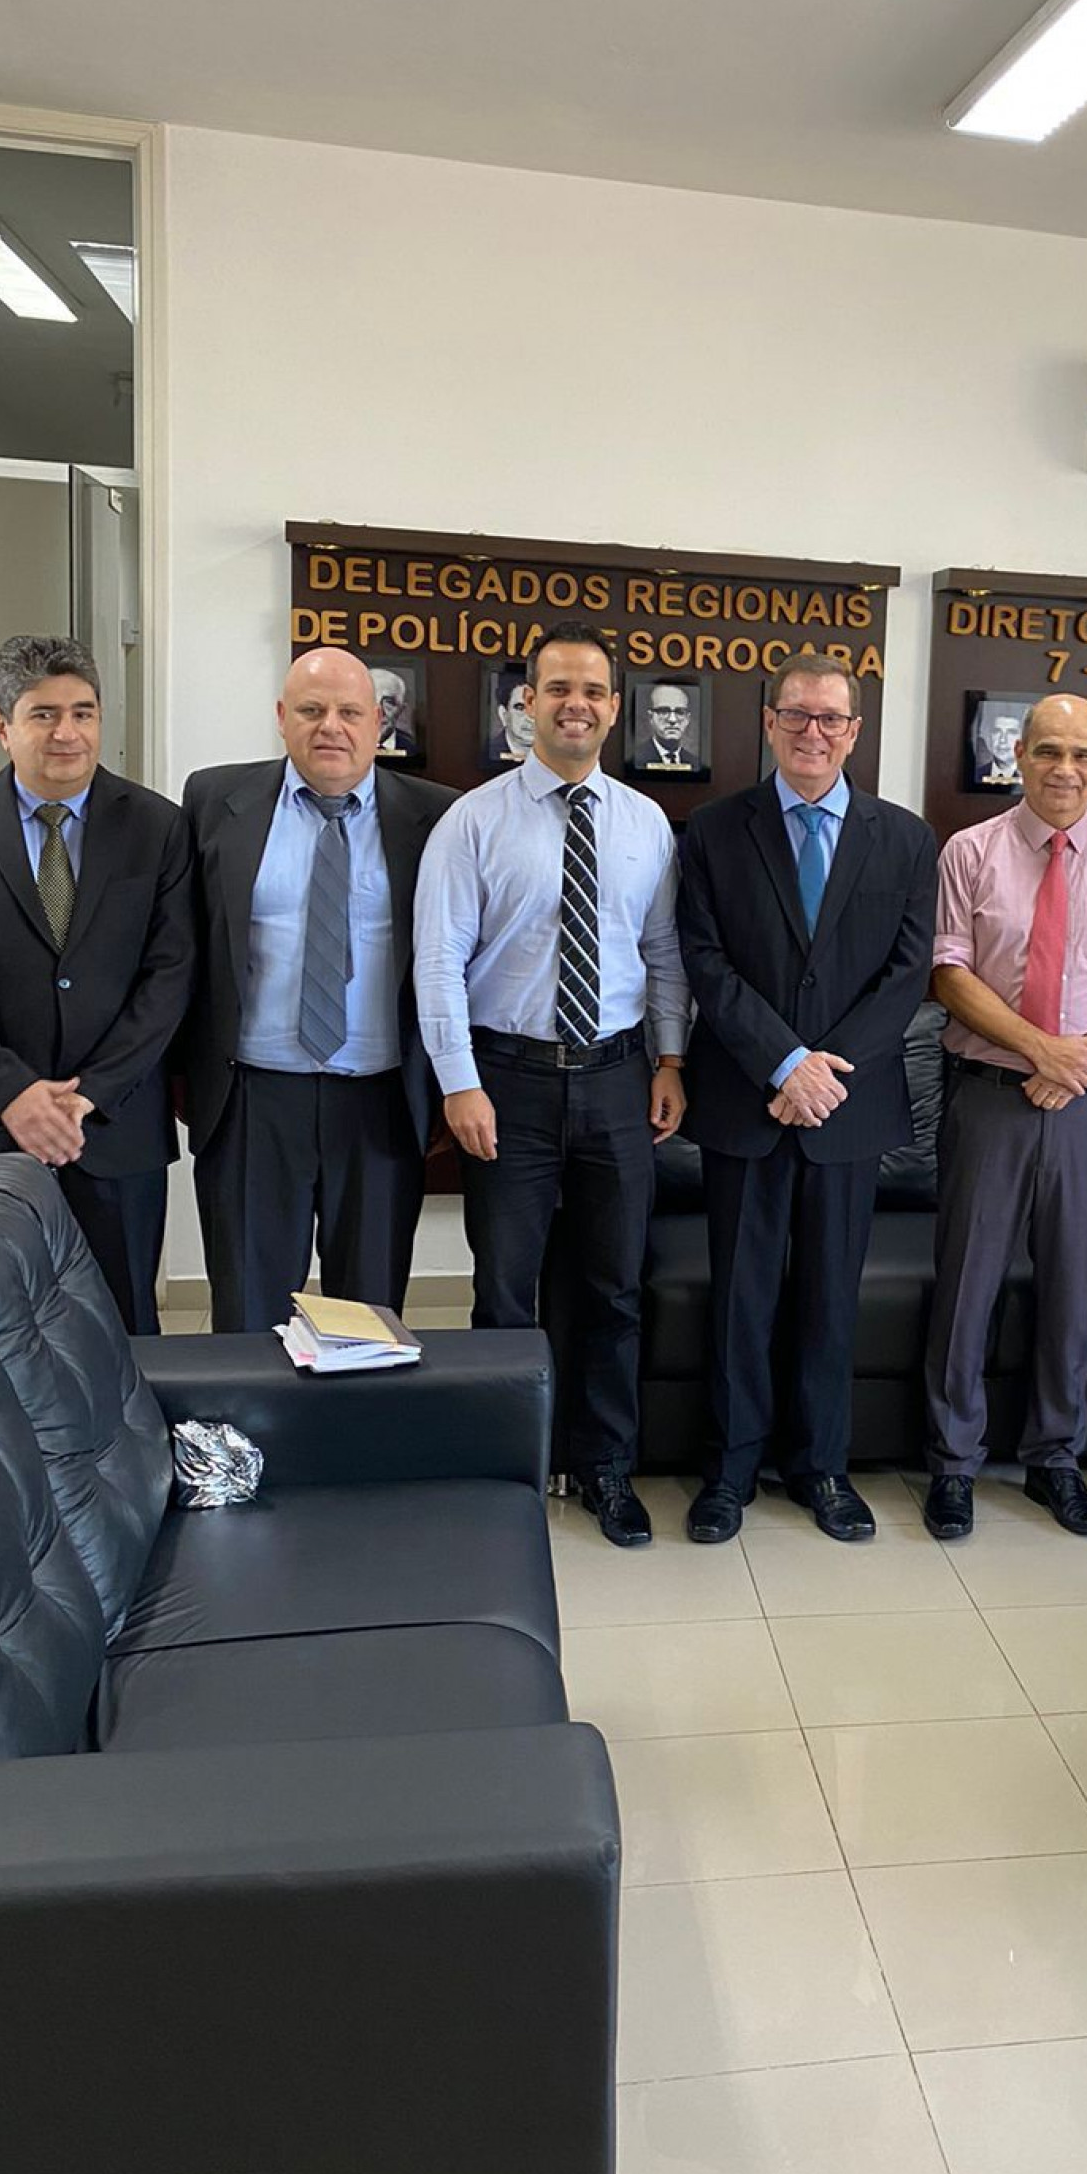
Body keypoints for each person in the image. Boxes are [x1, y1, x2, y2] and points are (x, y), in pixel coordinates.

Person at [415, 629, 687, 1546]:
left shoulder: (645, 822)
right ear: (524, 702)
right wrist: (458, 1083)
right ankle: (507, 1470)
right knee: (505, 1289)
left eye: (596, 690)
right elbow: (439, 960)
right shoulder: (473, 820)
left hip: (616, 1077)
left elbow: (662, 957)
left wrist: (671, 1061)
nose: (577, 703)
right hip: (508, 1082)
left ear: (616, 707)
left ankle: (605, 1466)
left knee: (613, 1288)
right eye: (558, 687)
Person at [678, 656, 935, 1544]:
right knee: (740, 1299)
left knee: (831, 1298)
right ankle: (730, 1471)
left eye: (831, 719)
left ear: (855, 731)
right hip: (746, 1099)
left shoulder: (903, 838)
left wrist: (821, 1074)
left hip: (848, 1109)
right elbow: (704, 962)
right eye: (797, 716)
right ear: (770, 722)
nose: (813, 732)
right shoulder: (712, 831)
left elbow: (905, 978)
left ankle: (821, 1467)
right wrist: (783, 1063)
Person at [924, 694, 1087, 1539]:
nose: (1065, 770)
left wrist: (1085, 1055)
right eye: (1048, 752)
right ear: (1018, 757)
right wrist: (1044, 1049)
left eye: (1083, 755)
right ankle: (953, 1463)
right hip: (991, 1097)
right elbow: (949, 974)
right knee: (967, 1286)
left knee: (1072, 1290)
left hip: (1086, 1108)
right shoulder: (969, 852)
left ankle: (1054, 1459)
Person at [184, 648, 456, 1331]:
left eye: (349, 712)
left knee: (365, 1317)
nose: (329, 726)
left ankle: (353, 1439)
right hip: (252, 1098)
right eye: (310, 710)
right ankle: (248, 1439)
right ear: (281, 717)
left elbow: (459, 959)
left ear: (378, 723)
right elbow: (181, 947)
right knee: (246, 1312)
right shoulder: (214, 801)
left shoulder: (436, 818)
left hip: (380, 1105)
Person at [0, 634, 192, 1332]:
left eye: (83, 712)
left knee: (123, 1324)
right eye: (43, 714)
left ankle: (133, 1448)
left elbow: (169, 976)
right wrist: (15, 1093)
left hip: (113, 1129)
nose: (68, 733)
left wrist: (86, 1098)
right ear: (2, 725)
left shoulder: (157, 826)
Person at [631, 682, 701, 772]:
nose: (672, 720)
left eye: (680, 712)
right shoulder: (636, 759)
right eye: (663, 711)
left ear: (687, 719)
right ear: (650, 717)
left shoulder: (695, 762)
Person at [370, 666, 419, 757]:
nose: (380, 712)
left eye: (389, 702)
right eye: (371, 699)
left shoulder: (411, 749)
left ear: (401, 710)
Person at [490, 672, 535, 763]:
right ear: (503, 714)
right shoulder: (490, 753)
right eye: (520, 708)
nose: (531, 718)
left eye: (538, 707)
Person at [977, 709, 1024, 788]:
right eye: (997, 731)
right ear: (990, 736)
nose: (1002, 739)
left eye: (1011, 732)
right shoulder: (979, 774)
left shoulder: (1032, 777)